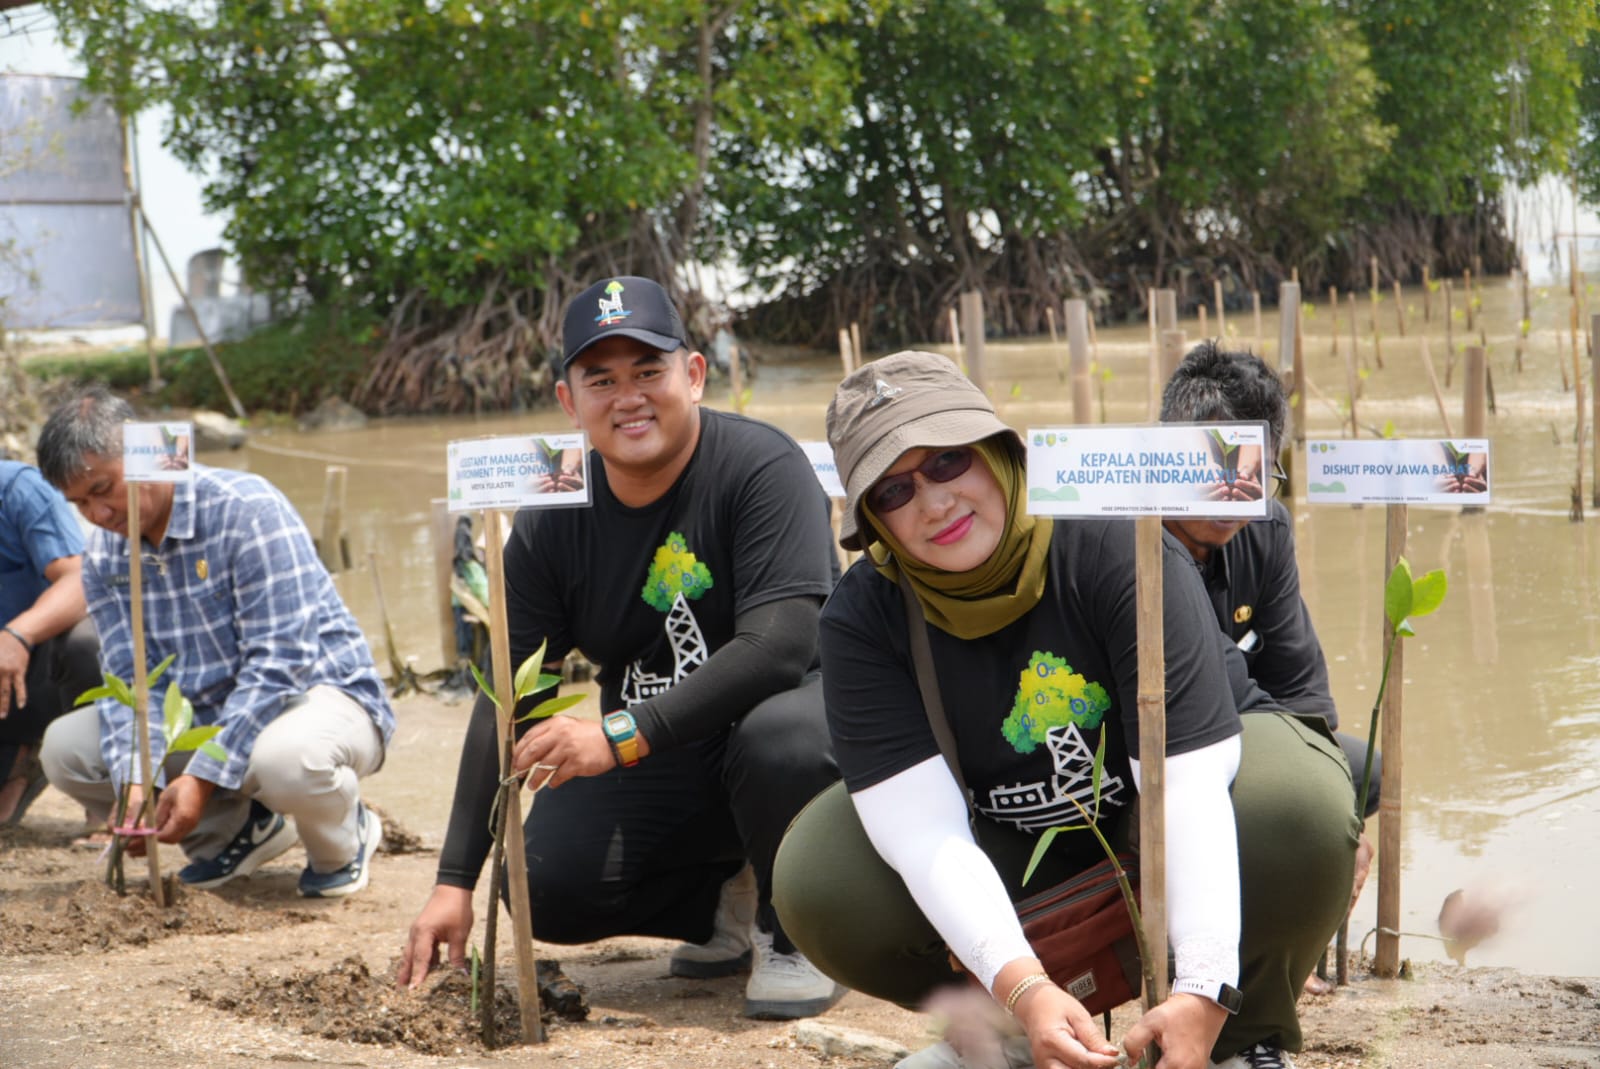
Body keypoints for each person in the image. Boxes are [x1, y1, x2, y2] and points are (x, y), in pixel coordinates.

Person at [774, 351, 1359, 1069]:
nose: (932, 502)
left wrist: (1206, 985)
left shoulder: (1115, 544)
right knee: (821, 875)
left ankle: (1236, 1032)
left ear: (1000, 454)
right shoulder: (860, 618)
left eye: (951, 462)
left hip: (1166, 804)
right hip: (1015, 831)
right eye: (894, 490)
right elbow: (925, 836)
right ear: (871, 522)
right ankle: (1017, 1032)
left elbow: (1187, 787)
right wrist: (1025, 988)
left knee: (1300, 803)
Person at [398, 275, 844, 1020]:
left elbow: (779, 644)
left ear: (693, 375)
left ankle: (794, 925)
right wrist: (453, 880)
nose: (627, 397)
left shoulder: (762, 466)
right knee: (540, 883)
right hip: (665, 748)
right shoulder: (552, 510)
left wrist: (618, 731)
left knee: (778, 740)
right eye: (601, 379)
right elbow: (510, 694)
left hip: (798, 734)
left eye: (648, 371)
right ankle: (724, 898)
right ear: (569, 402)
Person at [35, 387, 394, 898]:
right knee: (67, 751)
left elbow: (281, 665)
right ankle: (237, 833)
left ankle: (345, 838)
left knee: (287, 760)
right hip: (208, 709)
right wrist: (139, 780)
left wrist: (199, 779)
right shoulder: (105, 555)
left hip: (315, 696)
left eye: (103, 488)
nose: (98, 514)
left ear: (146, 456)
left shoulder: (248, 509)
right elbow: (131, 681)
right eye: (80, 503)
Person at [1158, 344, 1378, 905]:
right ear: (1168, 455)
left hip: (1244, 723)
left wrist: (1323, 790)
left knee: (1359, 774)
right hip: (1153, 746)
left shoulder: (1268, 530)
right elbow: (1221, 683)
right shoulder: (1130, 538)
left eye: (1256, 474)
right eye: (1216, 468)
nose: (1233, 496)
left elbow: (1302, 681)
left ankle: (1287, 912)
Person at [0, 458, 101, 826]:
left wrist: (17, 634)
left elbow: (81, 581)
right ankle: (17, 764)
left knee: (87, 642)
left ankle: (105, 795)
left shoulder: (17, 489)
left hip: (35, 667)